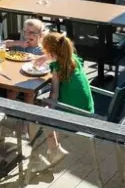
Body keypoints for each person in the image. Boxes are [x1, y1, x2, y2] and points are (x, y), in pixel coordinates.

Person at [31, 32, 94, 171]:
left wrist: (46, 110)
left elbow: (54, 94)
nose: (44, 53)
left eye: (45, 51)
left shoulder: (57, 68)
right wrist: (45, 57)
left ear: (52, 52)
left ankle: (54, 150)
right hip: (87, 111)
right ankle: (52, 150)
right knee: (44, 108)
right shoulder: (73, 59)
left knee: (38, 115)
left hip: (75, 116)